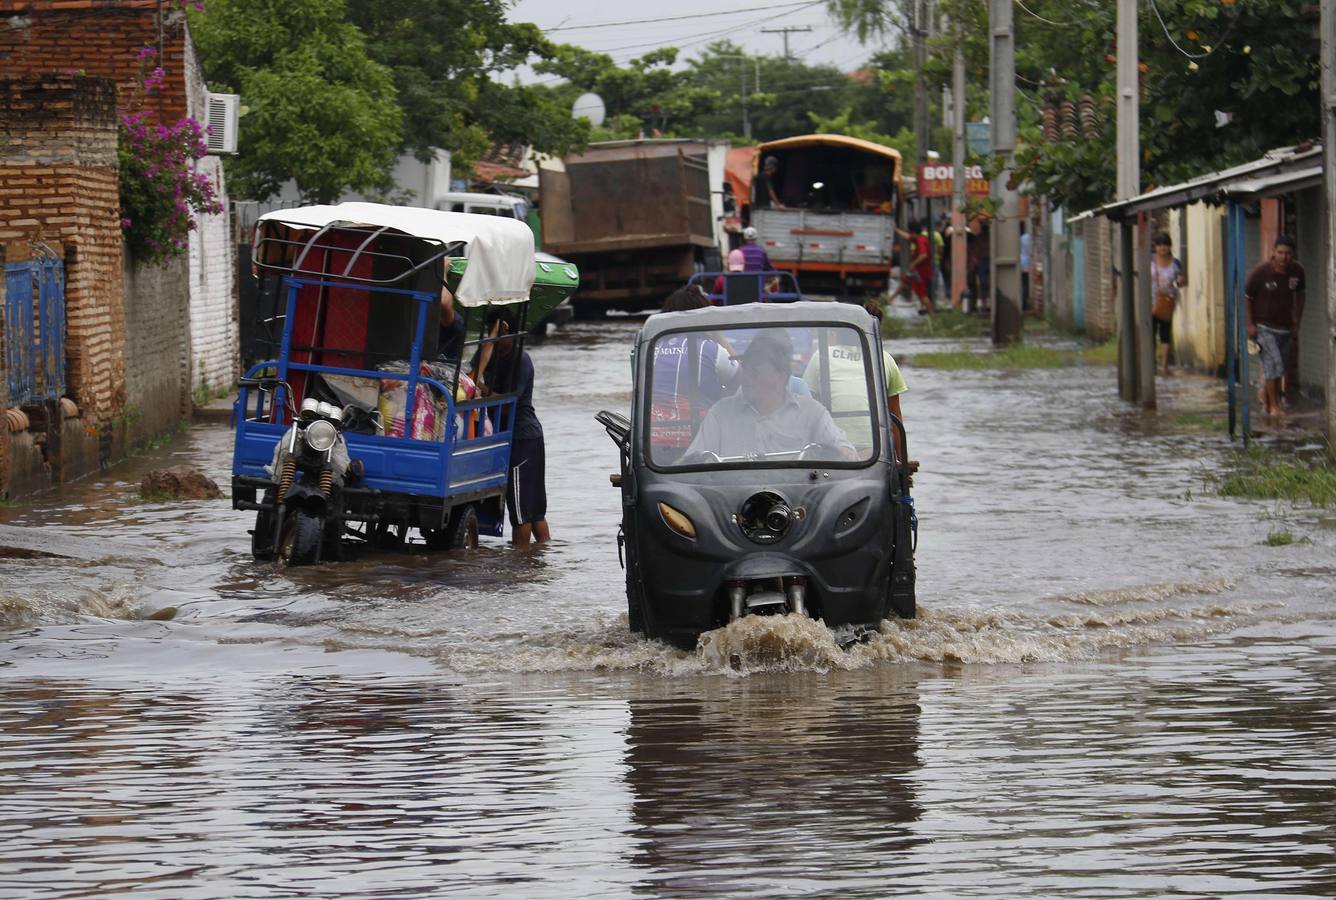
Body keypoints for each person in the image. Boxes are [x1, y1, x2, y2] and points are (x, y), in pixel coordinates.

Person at [684, 331, 853, 461]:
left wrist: (840, 453)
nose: (745, 377)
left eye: (755, 371)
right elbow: (691, 461)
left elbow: (846, 452)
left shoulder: (813, 413)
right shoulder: (720, 413)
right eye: (746, 369)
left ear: (780, 375)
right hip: (733, 501)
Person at [478, 307, 549, 544]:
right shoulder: (493, 357)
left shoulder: (521, 359)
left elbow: (509, 404)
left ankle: (519, 569)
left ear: (504, 329)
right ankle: (539, 562)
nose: (490, 340)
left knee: (523, 513)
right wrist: (488, 345)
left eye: (493, 333)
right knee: (533, 511)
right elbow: (471, 375)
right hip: (525, 438)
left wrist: (482, 388)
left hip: (522, 438)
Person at [649, 286, 739, 454]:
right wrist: (718, 336)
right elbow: (741, 377)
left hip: (652, 445)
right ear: (704, 318)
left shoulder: (651, 349)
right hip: (701, 444)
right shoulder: (711, 349)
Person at [1245, 235, 1305, 418]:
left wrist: (1297, 323)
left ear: (1293, 254)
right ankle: (1275, 406)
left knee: (1281, 367)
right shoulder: (1262, 272)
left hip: (1286, 328)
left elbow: (1301, 295)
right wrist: (1250, 324)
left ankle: (1267, 399)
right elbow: (1247, 296)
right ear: (1273, 252)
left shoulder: (1297, 271)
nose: (1284, 257)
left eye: (1288, 253)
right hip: (1264, 327)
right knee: (1274, 365)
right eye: (1280, 253)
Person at [1150, 232, 1185, 376]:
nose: (1162, 248)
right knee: (1150, 333)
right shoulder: (1150, 260)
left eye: (1165, 245)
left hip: (1167, 302)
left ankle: (1164, 364)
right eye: (1159, 245)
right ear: (1155, 247)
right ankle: (1150, 362)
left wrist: (1179, 282)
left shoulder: (1176, 263)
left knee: (1165, 333)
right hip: (1150, 302)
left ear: (1170, 247)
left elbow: (1181, 281)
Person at [894, 219, 933, 315]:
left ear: (913, 231)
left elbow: (923, 255)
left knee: (922, 294)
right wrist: (896, 229)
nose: (909, 234)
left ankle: (931, 313)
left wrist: (913, 264)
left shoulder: (920, 241)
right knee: (907, 282)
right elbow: (907, 237)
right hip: (920, 270)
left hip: (921, 271)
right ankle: (925, 309)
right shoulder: (920, 238)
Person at [1019, 223, 1032, 311]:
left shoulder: (1021, 238)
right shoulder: (1029, 237)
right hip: (1028, 262)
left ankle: (1022, 303)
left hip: (1021, 262)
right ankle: (1024, 303)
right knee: (1026, 284)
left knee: (1022, 283)